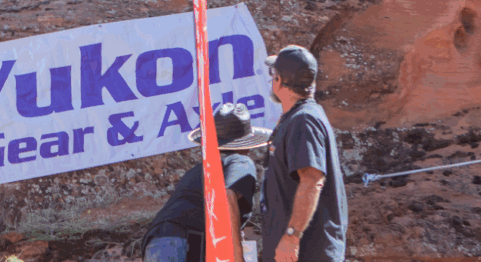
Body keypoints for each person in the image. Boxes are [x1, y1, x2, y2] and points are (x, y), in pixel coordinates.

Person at [142, 102, 269, 262]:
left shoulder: (200, 170)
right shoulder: (241, 161)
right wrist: (237, 257)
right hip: (179, 242)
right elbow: (228, 196)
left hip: (158, 240)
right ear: (246, 144)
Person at [261, 45, 347, 262]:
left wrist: (292, 236)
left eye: (274, 75)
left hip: (308, 252)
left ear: (280, 81)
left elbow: (312, 179)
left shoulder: (304, 120)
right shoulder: (298, 117)